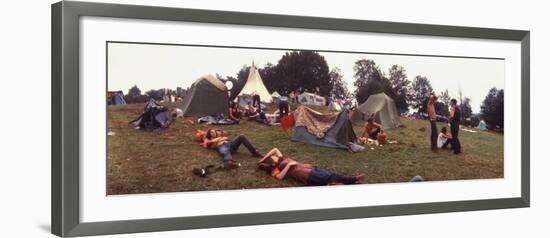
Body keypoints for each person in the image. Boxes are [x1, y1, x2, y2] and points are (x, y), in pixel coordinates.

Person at [257, 148, 364, 186]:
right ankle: (353, 179)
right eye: (273, 157)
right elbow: (279, 177)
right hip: (303, 173)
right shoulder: (276, 168)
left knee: (328, 177)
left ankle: (352, 182)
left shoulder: (280, 159)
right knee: (329, 176)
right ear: (272, 163)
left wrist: (262, 159)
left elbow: (275, 149)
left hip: (308, 168)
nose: (275, 155)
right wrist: (288, 166)